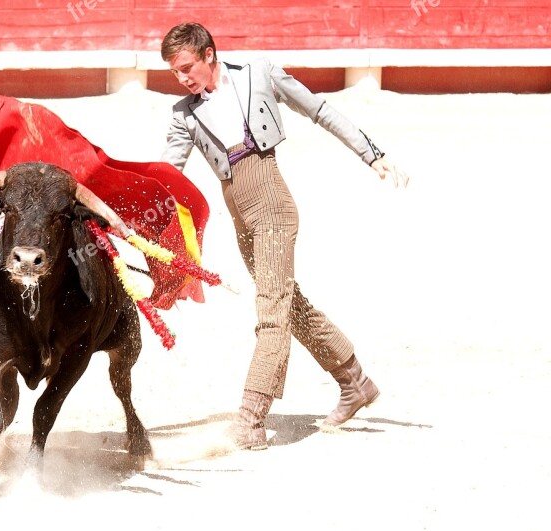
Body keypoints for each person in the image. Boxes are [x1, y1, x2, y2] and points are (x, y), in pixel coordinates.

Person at [159, 22, 408, 450]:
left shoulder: (259, 72)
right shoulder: (184, 113)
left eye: (186, 68)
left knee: (272, 311)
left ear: (209, 55)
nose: (181, 79)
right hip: (239, 213)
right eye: (175, 72)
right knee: (289, 303)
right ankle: (355, 382)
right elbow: (166, 174)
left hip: (272, 202)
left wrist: (373, 155)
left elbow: (321, 111)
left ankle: (251, 420)